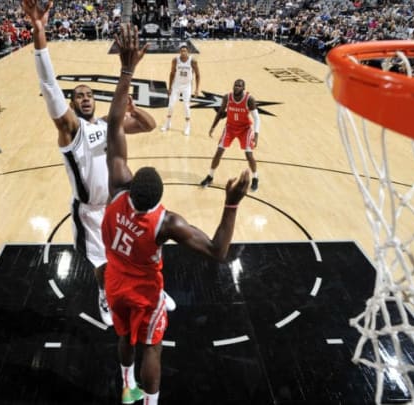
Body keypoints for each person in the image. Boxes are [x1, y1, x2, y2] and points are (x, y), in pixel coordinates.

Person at [104, 23, 250, 405]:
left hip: (114, 284)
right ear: (157, 200)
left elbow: (114, 128)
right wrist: (231, 203)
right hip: (144, 293)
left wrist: (126, 70)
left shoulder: (116, 188)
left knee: (123, 337)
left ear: (131, 186)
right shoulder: (166, 223)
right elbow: (218, 251)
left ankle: (125, 385)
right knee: (152, 346)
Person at [22, 0, 165, 327]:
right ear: (72, 105)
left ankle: (150, 291)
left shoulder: (105, 125)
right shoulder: (72, 131)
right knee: (105, 265)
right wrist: (40, 33)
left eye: (89, 95)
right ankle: (104, 294)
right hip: (90, 211)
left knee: (140, 252)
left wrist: (132, 106)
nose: (85, 98)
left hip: (120, 203)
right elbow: (50, 87)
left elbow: (148, 125)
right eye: (79, 96)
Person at [199, 79, 261, 192]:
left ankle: (255, 178)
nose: (236, 87)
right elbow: (220, 112)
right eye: (235, 85)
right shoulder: (227, 97)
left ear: (243, 88)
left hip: (245, 129)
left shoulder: (249, 99)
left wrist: (256, 135)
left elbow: (257, 118)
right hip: (230, 128)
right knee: (218, 152)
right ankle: (210, 176)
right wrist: (213, 126)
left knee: (249, 154)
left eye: (239, 86)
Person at [160, 43, 200, 136]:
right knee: (171, 105)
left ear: (188, 51)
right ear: (179, 51)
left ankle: (187, 126)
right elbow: (172, 73)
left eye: (185, 50)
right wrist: (169, 88)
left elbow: (198, 75)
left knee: (186, 106)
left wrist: (197, 89)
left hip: (187, 86)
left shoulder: (192, 61)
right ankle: (167, 123)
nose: (183, 52)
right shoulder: (175, 60)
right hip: (176, 85)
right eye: (181, 51)